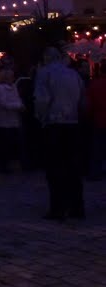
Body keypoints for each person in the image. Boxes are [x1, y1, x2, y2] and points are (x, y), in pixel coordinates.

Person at [34, 46, 86, 221]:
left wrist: (41, 118)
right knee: (73, 166)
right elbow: (82, 100)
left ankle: (58, 208)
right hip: (73, 123)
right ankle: (77, 207)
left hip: (54, 123)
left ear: (47, 58)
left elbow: (42, 100)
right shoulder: (74, 74)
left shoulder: (45, 73)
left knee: (55, 168)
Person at [0, 68, 24, 173]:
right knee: (5, 145)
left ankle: (8, 164)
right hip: (4, 121)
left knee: (10, 144)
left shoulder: (13, 87)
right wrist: (18, 106)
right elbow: (4, 103)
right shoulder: (1, 89)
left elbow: (17, 99)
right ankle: (3, 166)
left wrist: (19, 105)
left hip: (13, 120)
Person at [86, 60, 106, 179]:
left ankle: (96, 172)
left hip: (99, 120)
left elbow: (89, 105)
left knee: (98, 148)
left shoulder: (94, 84)